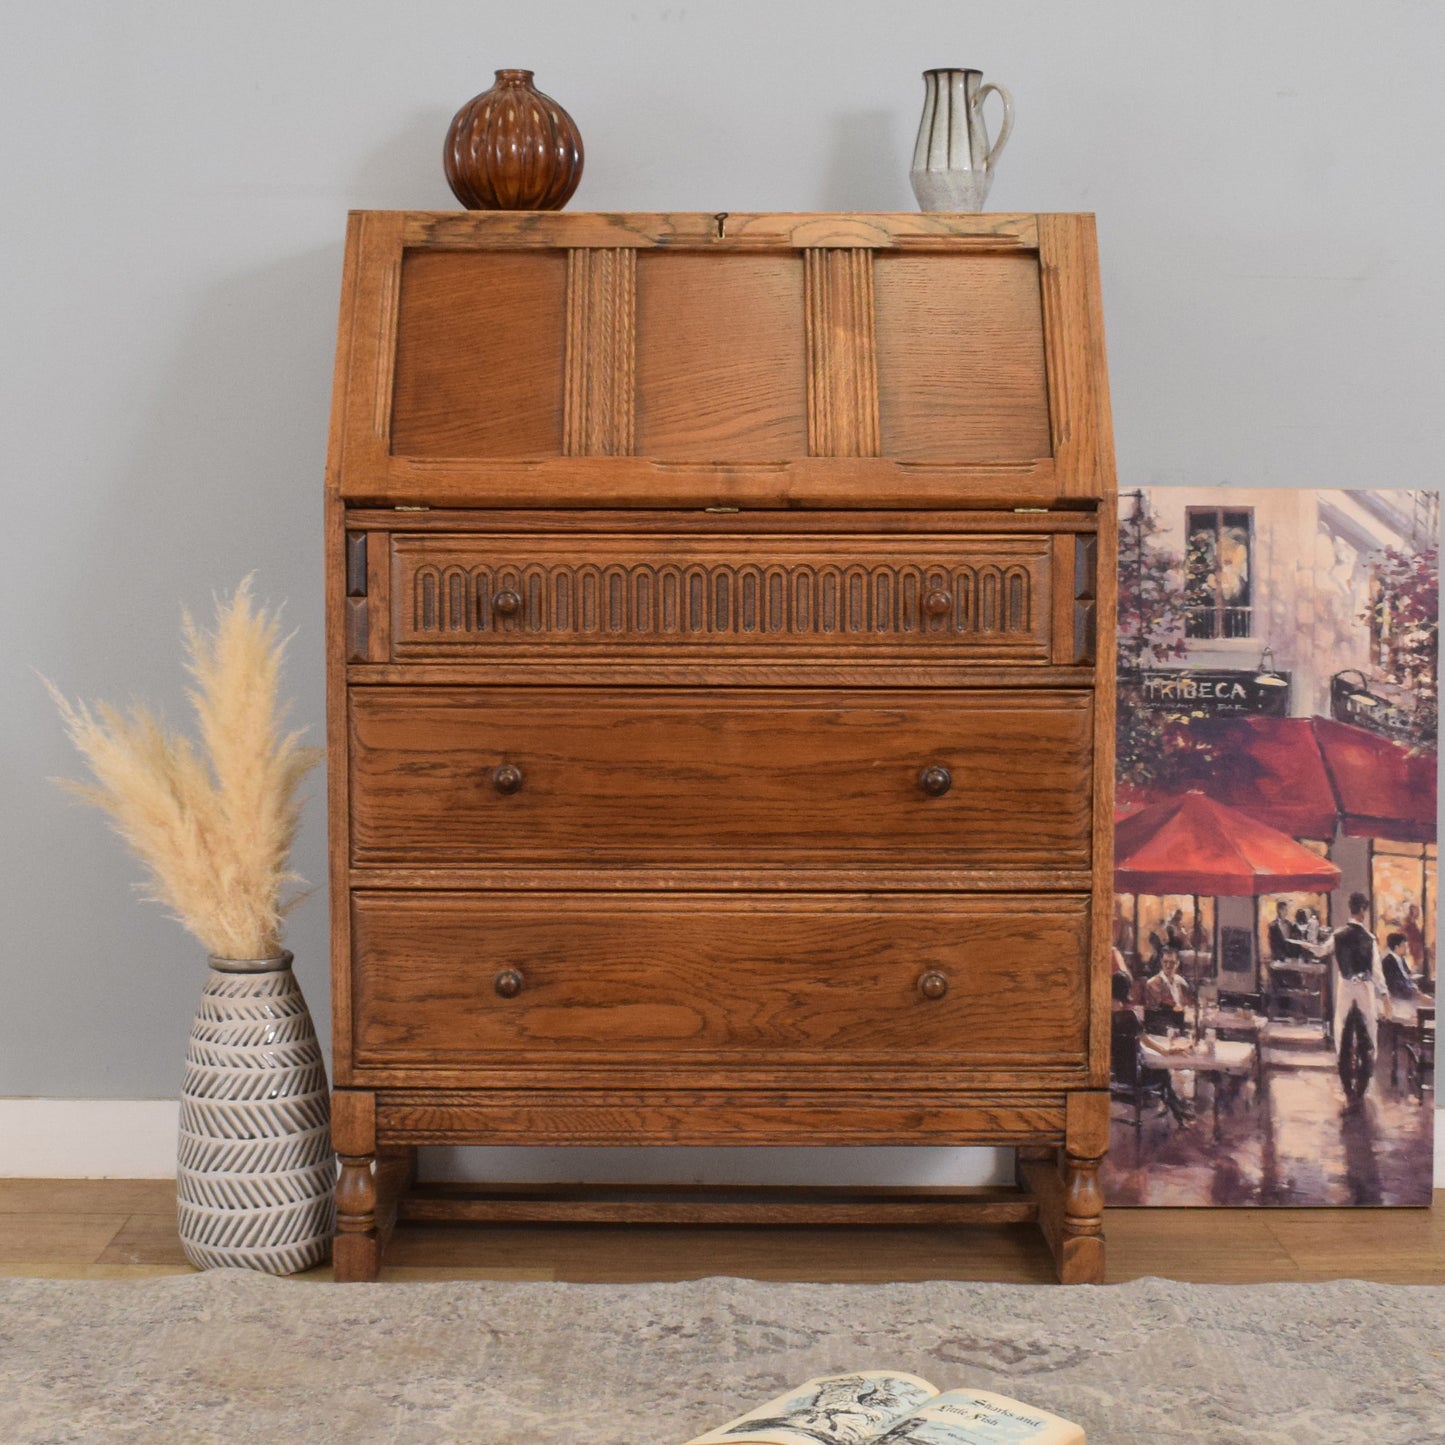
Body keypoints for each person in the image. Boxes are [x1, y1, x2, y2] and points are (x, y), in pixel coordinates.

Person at [1111, 972, 1191, 1124]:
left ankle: (1179, 1110)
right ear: (1126, 990)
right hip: (1136, 1078)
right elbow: (1148, 1042)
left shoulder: (1102, 1016)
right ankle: (1179, 1113)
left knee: (1156, 1069)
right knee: (1163, 1072)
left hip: (1115, 1076)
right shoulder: (1129, 1017)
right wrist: (1168, 1050)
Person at [1331, 891, 1389, 1100]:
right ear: (1363, 910)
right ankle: (1363, 1082)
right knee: (1368, 1033)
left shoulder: (1338, 935)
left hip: (1346, 988)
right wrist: (1384, 995)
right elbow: (1376, 971)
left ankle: (1347, 1083)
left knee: (1342, 1030)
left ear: (1351, 908)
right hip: (1364, 989)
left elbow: (1321, 951)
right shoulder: (1369, 939)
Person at [1381, 931, 1425, 1001]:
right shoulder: (1388, 962)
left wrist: (1414, 987)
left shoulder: (1401, 959)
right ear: (1396, 947)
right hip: (1400, 998)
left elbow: (1407, 975)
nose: (1407, 949)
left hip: (1409, 991)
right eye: (1404, 946)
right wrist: (1414, 993)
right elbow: (1394, 986)